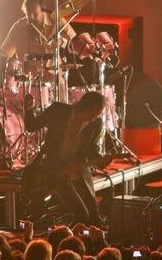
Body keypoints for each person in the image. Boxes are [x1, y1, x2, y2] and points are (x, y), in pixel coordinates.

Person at [22, 91, 112, 226]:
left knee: (95, 218)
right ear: (85, 107)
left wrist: (102, 161)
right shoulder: (58, 110)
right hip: (56, 171)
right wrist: (29, 109)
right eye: (93, 112)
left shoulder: (95, 123)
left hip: (78, 170)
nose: (94, 117)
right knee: (82, 216)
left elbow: (91, 150)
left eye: (98, 113)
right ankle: (65, 235)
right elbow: (32, 126)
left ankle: (87, 236)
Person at [1, 0, 77, 102]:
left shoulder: (57, 20)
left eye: (35, 14)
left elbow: (74, 41)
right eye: (28, 14)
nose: (32, 18)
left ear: (43, 11)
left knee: (60, 94)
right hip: (28, 79)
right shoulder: (18, 27)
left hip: (53, 74)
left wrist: (60, 41)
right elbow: (4, 53)